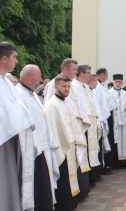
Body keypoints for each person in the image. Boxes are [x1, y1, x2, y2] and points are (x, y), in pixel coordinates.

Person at [17, 65, 60, 211]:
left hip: (42, 145)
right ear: (30, 79)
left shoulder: (32, 94)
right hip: (32, 148)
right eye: (39, 76)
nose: (41, 80)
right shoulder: (19, 95)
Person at [0, 41, 35, 210]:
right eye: (14, 57)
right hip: (4, 139)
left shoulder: (6, 82)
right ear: (4, 58)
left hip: (14, 137)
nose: (16, 61)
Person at [44, 75, 87, 211]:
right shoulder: (52, 105)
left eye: (68, 86)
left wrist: (75, 142)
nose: (67, 89)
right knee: (63, 180)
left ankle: (70, 204)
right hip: (60, 149)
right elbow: (53, 130)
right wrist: (68, 143)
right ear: (56, 87)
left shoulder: (65, 103)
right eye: (64, 86)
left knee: (69, 178)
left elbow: (72, 126)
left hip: (69, 147)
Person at [64, 64, 95, 198]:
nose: (76, 72)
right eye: (75, 70)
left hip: (82, 125)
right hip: (73, 128)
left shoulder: (81, 86)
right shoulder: (73, 86)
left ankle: (84, 187)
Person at [109, 74, 126, 167]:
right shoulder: (108, 93)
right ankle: (114, 163)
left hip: (124, 123)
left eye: (119, 82)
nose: (117, 83)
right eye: (116, 82)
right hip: (114, 124)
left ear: (122, 83)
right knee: (114, 141)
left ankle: (124, 162)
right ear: (113, 82)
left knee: (125, 140)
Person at [93, 68, 113, 175]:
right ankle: (101, 167)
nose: (107, 78)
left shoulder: (99, 86)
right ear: (101, 75)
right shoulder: (97, 88)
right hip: (99, 119)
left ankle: (102, 165)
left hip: (102, 118)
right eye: (106, 75)